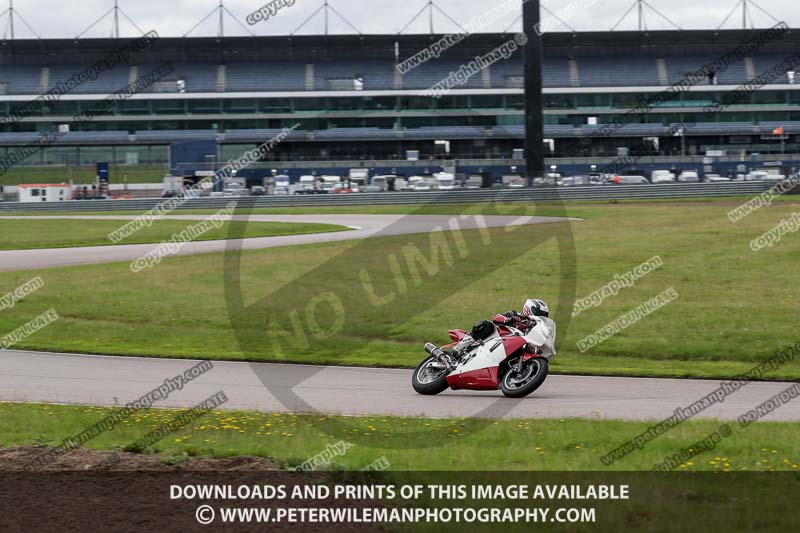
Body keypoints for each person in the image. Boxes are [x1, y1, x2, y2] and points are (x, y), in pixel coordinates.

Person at [450, 299, 550, 357]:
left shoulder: (535, 329)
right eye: (539, 313)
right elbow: (496, 317)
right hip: (496, 338)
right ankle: (458, 348)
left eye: (543, 314)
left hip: (507, 349)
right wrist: (507, 320)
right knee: (486, 324)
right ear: (529, 308)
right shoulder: (516, 315)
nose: (540, 315)